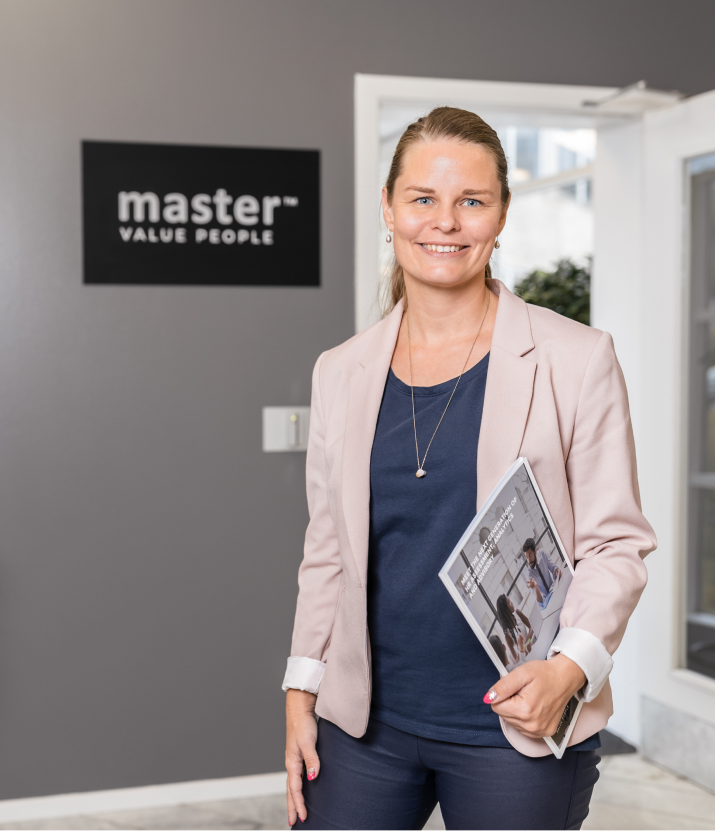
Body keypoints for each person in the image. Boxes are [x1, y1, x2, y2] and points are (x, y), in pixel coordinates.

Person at [282, 106, 656, 830]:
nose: (444, 222)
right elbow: (326, 549)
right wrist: (301, 691)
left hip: (514, 720)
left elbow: (617, 544)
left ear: (501, 215)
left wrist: (569, 669)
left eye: (471, 201)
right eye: (423, 198)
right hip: (364, 726)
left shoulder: (576, 358)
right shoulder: (341, 371)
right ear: (389, 209)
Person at [522, 537, 561, 609]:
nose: (529, 560)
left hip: (555, 590)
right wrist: (535, 587)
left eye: (530, 555)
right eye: (526, 557)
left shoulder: (542, 553)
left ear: (535, 551)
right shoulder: (529, 575)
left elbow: (553, 568)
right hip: (547, 604)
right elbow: (540, 602)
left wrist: (556, 571)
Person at [495, 593, 534, 664]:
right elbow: (516, 660)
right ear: (506, 610)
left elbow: (531, 627)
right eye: (509, 602)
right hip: (526, 660)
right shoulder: (507, 636)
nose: (512, 602)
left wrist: (528, 641)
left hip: (533, 645)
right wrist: (523, 651)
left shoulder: (518, 613)